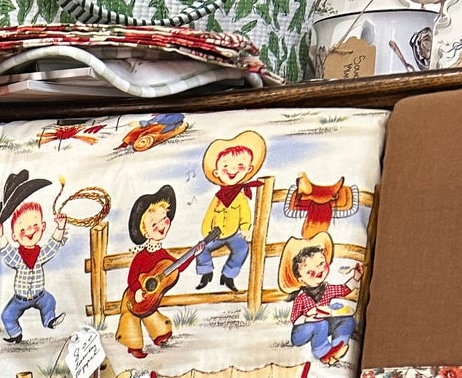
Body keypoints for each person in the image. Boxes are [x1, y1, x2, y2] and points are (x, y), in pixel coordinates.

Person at [0, 168, 69, 341]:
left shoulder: (40, 255)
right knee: (7, 315)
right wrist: (1, 237)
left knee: (50, 302)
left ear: (43, 226)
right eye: (23, 229)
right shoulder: (18, 258)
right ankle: (15, 334)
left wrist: (60, 228)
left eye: (35, 226)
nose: (30, 231)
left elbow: (52, 246)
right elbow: (8, 254)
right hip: (20, 299)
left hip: (40, 295)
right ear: (15, 236)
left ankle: (49, 320)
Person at [196, 129, 265, 291]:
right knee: (200, 249)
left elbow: (245, 215)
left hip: (234, 234)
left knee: (242, 249)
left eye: (240, 166)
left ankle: (228, 275)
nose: (233, 170)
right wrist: (206, 233)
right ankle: (206, 272)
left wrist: (245, 228)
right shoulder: (217, 198)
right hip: (216, 234)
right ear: (217, 172)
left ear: (248, 169)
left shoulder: (241, 197)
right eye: (226, 166)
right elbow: (209, 216)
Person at [116, 186, 180, 358]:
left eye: (164, 219)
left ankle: (160, 333)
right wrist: (137, 290)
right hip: (133, 294)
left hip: (148, 295)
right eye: (154, 224)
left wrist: (194, 253)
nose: (161, 226)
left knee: (150, 311)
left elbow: (176, 267)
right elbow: (132, 277)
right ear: (144, 231)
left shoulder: (162, 255)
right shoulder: (141, 256)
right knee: (130, 317)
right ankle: (133, 345)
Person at [281, 236, 359, 364]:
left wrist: (355, 278)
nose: (318, 271)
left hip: (323, 326)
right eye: (310, 271)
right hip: (301, 332)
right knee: (321, 324)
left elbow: (344, 289)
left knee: (347, 319)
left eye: (321, 264)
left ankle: (338, 345)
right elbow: (294, 318)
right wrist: (307, 318)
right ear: (301, 279)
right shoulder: (301, 297)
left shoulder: (327, 289)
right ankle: (323, 353)